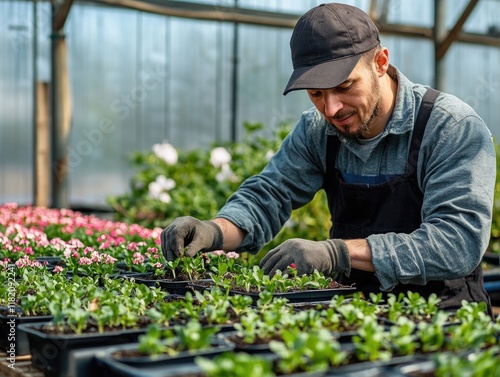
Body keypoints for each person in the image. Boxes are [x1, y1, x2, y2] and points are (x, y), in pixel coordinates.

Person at [161, 3, 496, 313]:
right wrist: (212, 231)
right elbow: (269, 196)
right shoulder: (318, 130)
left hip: (446, 318)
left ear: (380, 63)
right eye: (317, 93)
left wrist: (337, 253)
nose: (331, 108)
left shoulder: (451, 128)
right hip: (355, 315)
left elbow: (457, 242)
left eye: (345, 85)